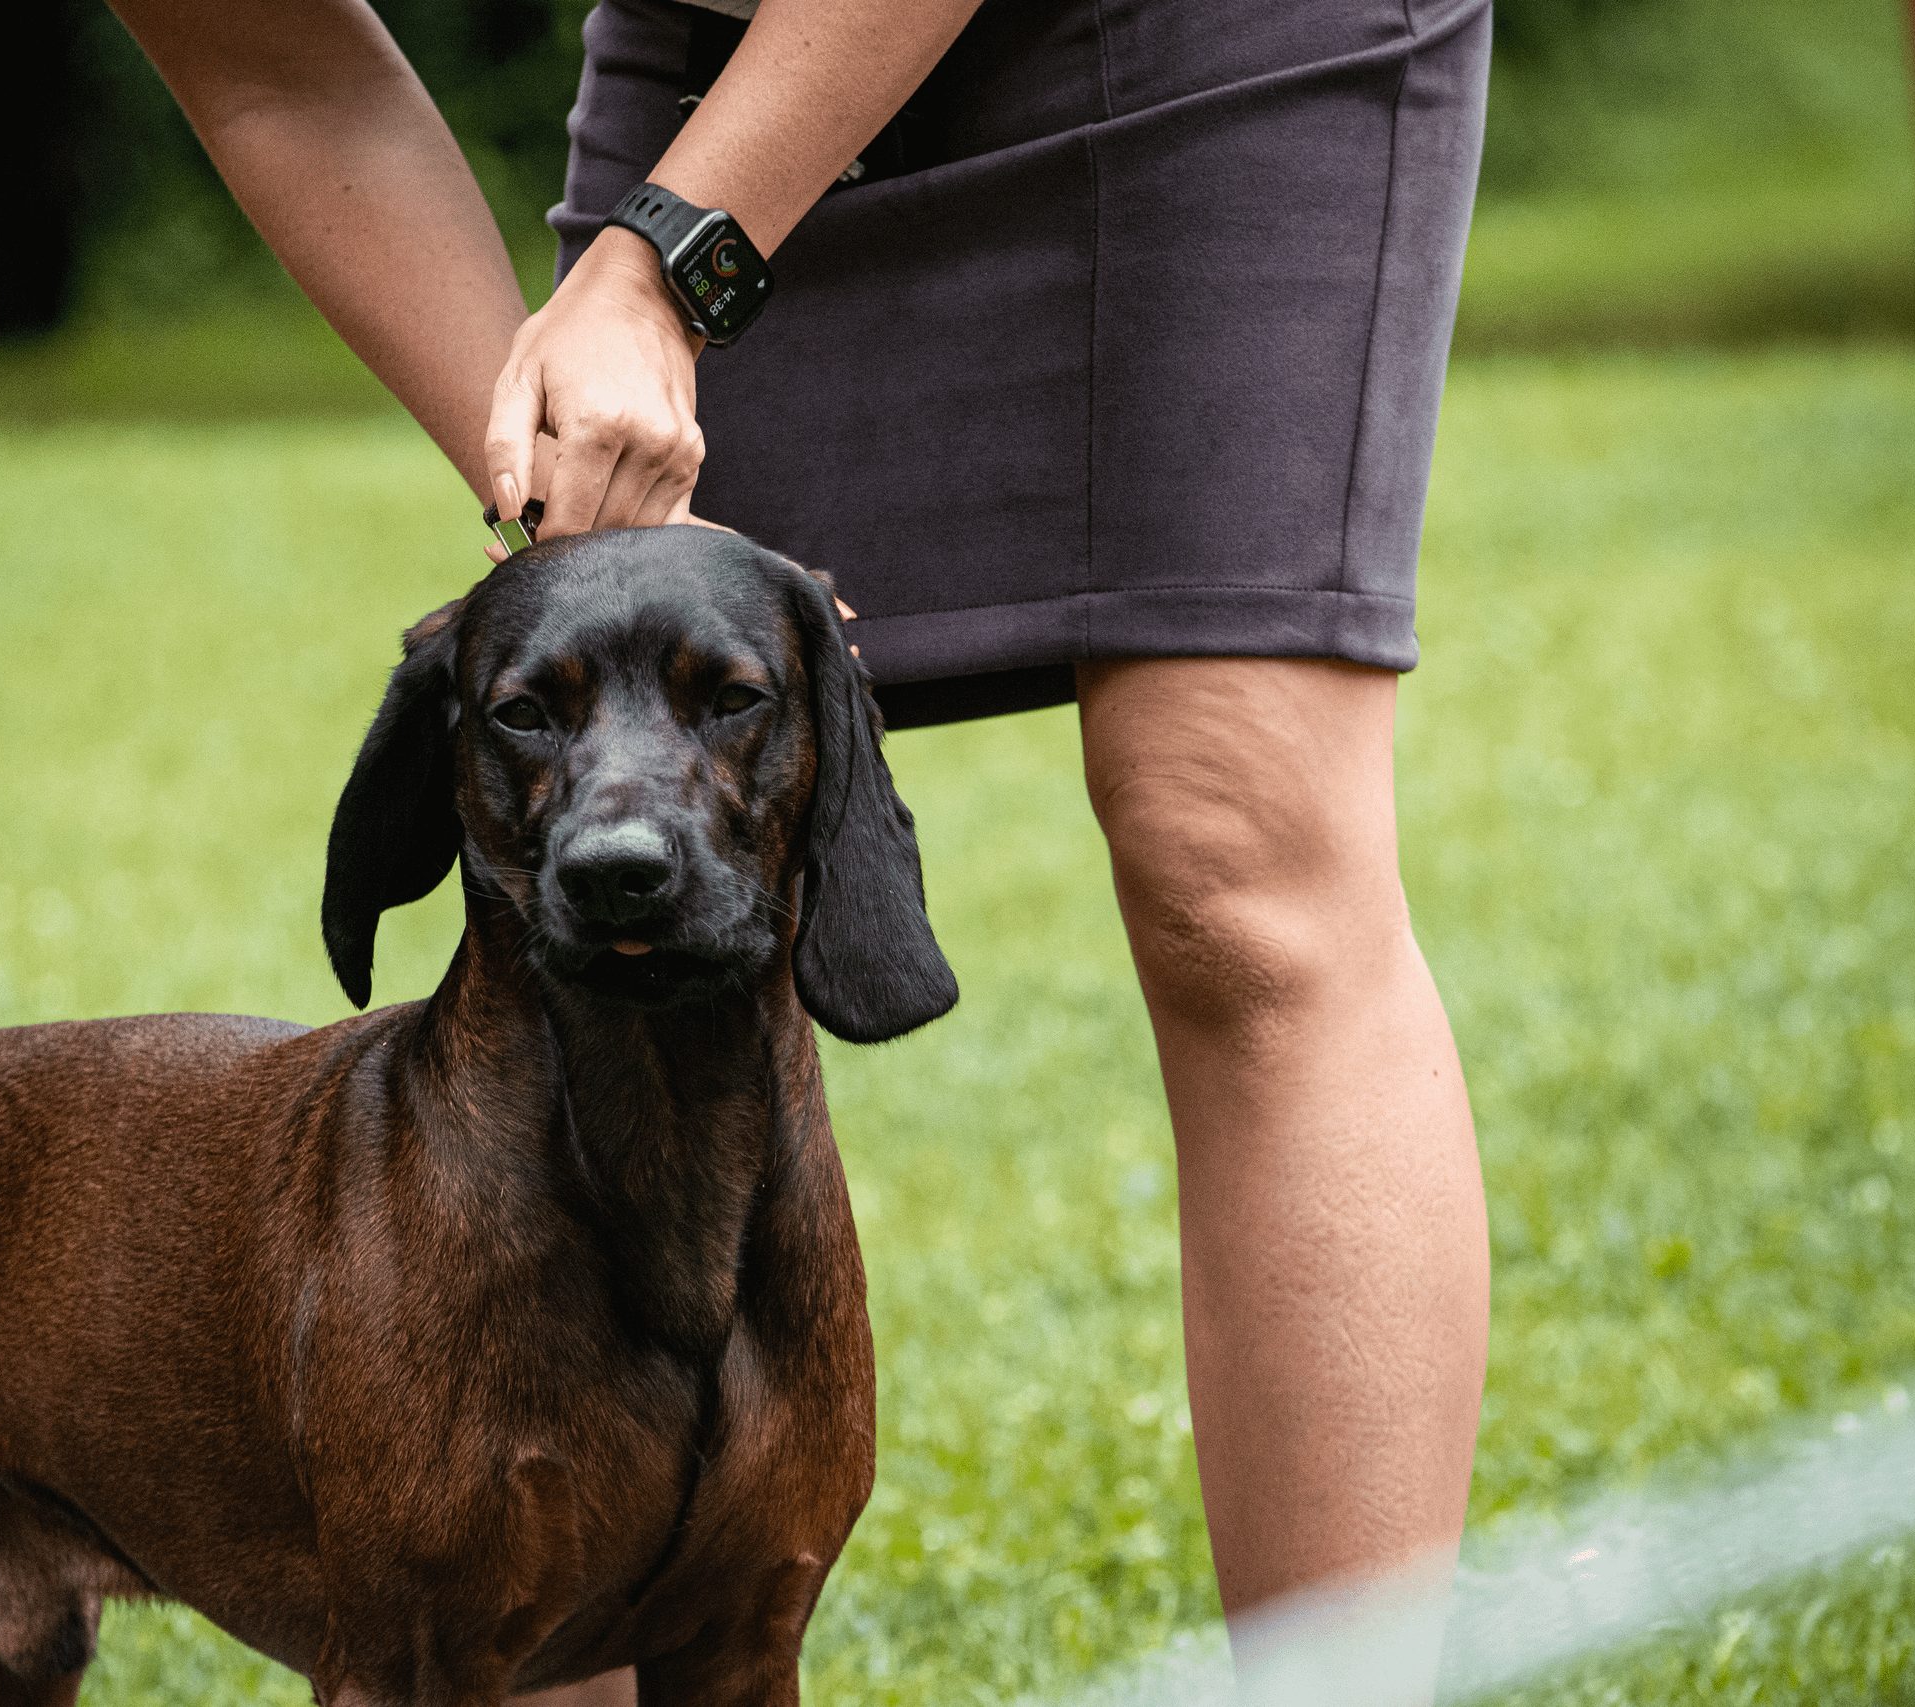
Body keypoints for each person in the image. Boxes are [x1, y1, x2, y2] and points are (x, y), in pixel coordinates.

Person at [109, 0, 1492, 1698]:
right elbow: (276, 66)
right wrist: (573, 478)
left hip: (1217, 40)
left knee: (1235, 858)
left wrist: (665, 264)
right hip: (724, 64)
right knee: (621, 849)